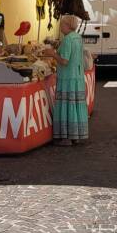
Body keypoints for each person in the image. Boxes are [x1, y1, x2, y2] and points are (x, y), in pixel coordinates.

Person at [43, 15, 87, 146]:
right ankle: (76, 135)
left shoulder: (68, 40)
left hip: (67, 77)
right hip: (77, 76)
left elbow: (64, 61)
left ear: (67, 26)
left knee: (67, 106)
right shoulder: (78, 37)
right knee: (75, 106)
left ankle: (66, 137)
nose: (60, 27)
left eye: (62, 25)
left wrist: (52, 54)